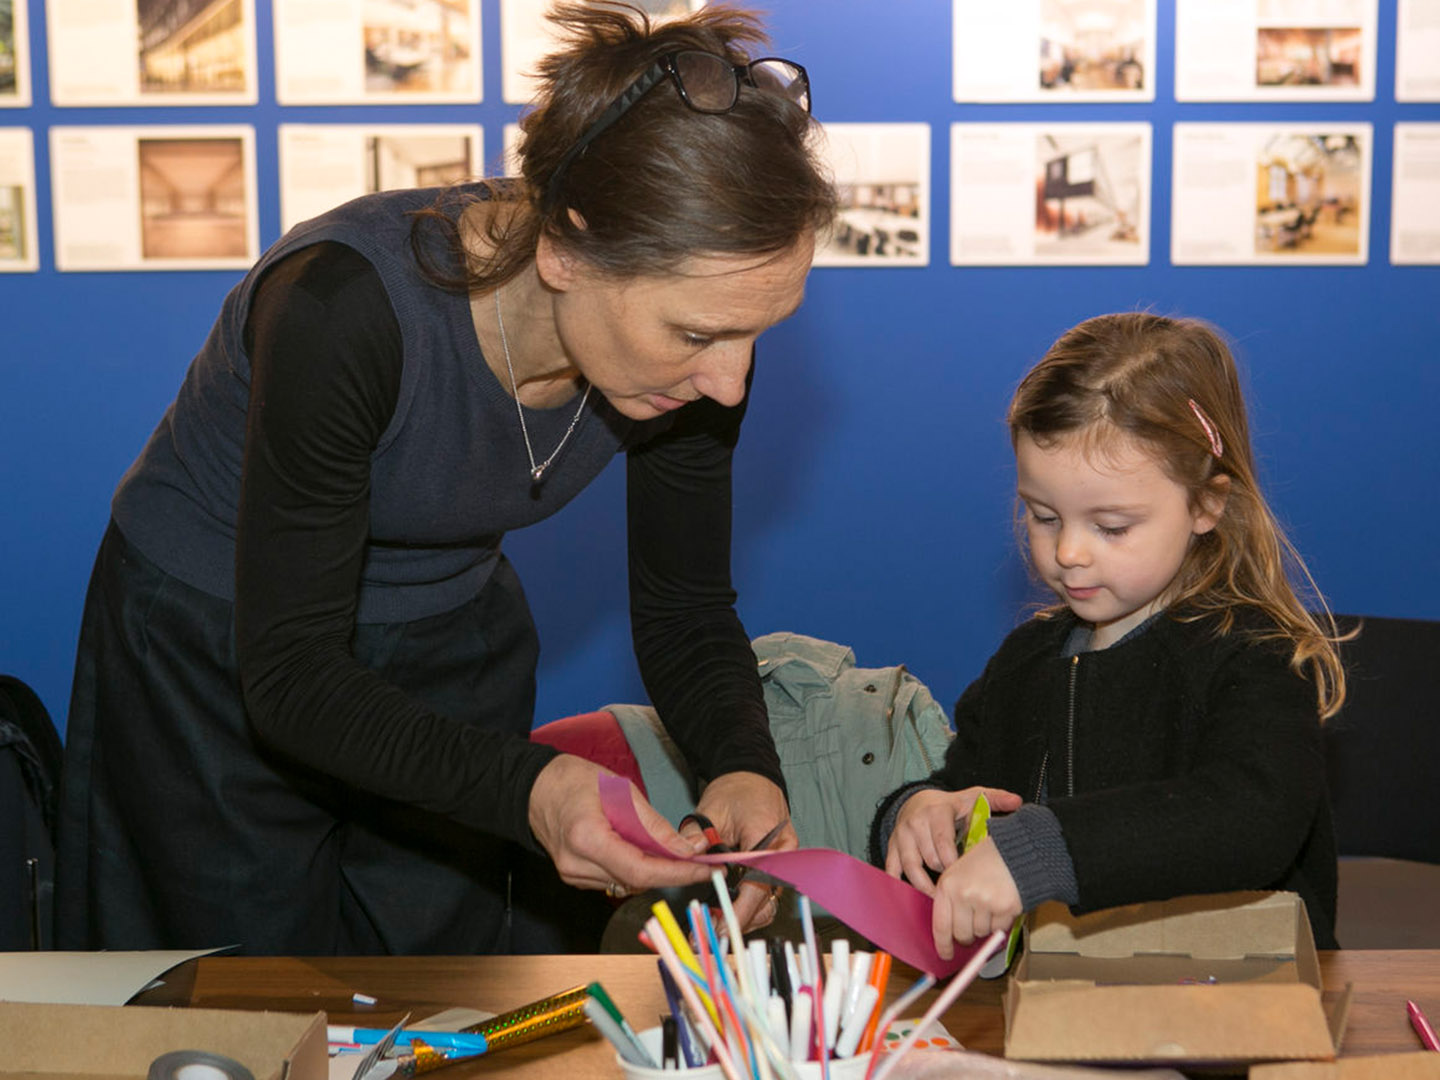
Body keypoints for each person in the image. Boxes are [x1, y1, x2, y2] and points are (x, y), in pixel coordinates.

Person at [55, 1, 836, 955]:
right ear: (564, 248)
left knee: (444, 1001)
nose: (730, 380)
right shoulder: (341, 308)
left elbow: (681, 608)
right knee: (240, 1000)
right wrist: (531, 787)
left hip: (444, 633)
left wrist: (745, 769)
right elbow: (294, 676)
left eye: (760, 330)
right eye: (698, 334)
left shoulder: (699, 354)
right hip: (215, 652)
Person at [869, 312, 1346, 959]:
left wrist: (1044, 849)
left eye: (1112, 526)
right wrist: (919, 812)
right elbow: (966, 784)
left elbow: (1252, 819)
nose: (1067, 551)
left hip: (1225, 1018)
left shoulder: (1253, 654)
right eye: (1043, 516)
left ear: (1207, 504)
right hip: (1052, 1012)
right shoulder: (1025, 660)